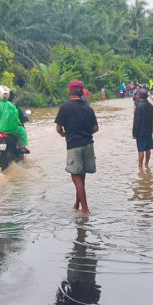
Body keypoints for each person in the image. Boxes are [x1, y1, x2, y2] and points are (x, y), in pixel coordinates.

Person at [55, 80, 99, 214]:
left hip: (74, 145)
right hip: (88, 144)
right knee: (82, 175)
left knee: (75, 175)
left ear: (69, 93)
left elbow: (58, 128)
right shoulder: (88, 108)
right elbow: (96, 128)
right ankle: (77, 204)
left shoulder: (65, 107)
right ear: (82, 93)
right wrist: (85, 133)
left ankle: (85, 209)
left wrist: (63, 133)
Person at [132, 88, 153, 170]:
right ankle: (146, 165)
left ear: (140, 96)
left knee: (141, 149)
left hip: (140, 131)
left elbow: (136, 121)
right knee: (148, 148)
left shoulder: (139, 106)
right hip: (149, 130)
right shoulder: (151, 106)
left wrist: (134, 133)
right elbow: (152, 119)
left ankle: (140, 167)